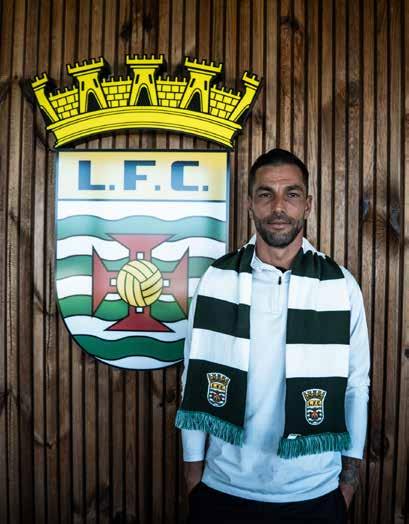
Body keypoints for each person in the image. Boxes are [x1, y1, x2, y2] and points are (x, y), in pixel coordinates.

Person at [175, 148, 370, 524]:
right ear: (250, 203)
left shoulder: (341, 287)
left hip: (315, 494)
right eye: (266, 194)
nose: (278, 207)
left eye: (291, 194)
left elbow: (355, 386)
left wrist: (348, 482)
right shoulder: (217, 281)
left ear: (308, 205)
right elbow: (194, 380)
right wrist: (193, 477)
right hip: (223, 490)